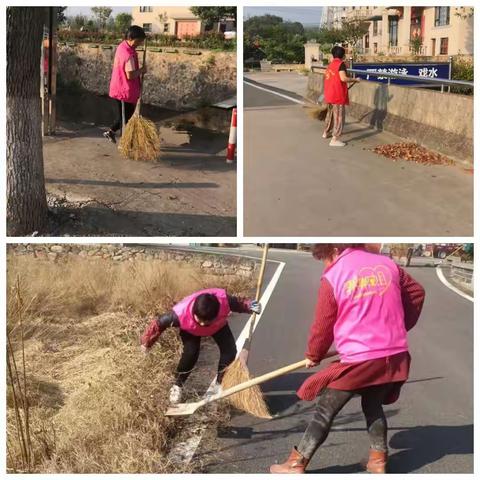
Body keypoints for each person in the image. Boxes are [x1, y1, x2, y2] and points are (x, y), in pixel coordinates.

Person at [270, 244, 425, 474]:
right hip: (393, 354)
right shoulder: (388, 264)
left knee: (325, 409)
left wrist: (314, 355)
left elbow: (323, 325)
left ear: (333, 248)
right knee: (372, 405)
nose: (325, 264)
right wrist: (399, 326)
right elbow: (416, 292)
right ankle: (378, 461)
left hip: (361, 358)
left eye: (324, 258)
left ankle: (295, 464)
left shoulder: (335, 274)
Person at [140, 288, 262, 404]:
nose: (203, 324)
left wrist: (251, 305)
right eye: (200, 320)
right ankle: (177, 385)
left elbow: (240, 303)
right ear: (194, 312)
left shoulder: (225, 301)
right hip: (190, 328)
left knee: (229, 351)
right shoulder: (179, 314)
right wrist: (146, 343)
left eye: (206, 321)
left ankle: (219, 384)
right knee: (191, 353)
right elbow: (158, 324)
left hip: (218, 326)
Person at [103, 25, 147, 144]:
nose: (139, 44)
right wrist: (142, 70)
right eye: (138, 41)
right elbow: (130, 75)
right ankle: (125, 140)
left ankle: (112, 132)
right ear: (131, 38)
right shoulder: (129, 55)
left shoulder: (122, 46)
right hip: (124, 90)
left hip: (118, 87)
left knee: (125, 115)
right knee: (125, 117)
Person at [323, 45, 361, 147]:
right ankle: (335, 139)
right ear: (343, 55)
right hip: (337, 95)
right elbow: (343, 78)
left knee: (330, 115)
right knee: (339, 117)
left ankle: (326, 132)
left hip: (329, 93)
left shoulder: (330, 65)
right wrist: (355, 80)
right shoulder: (341, 64)